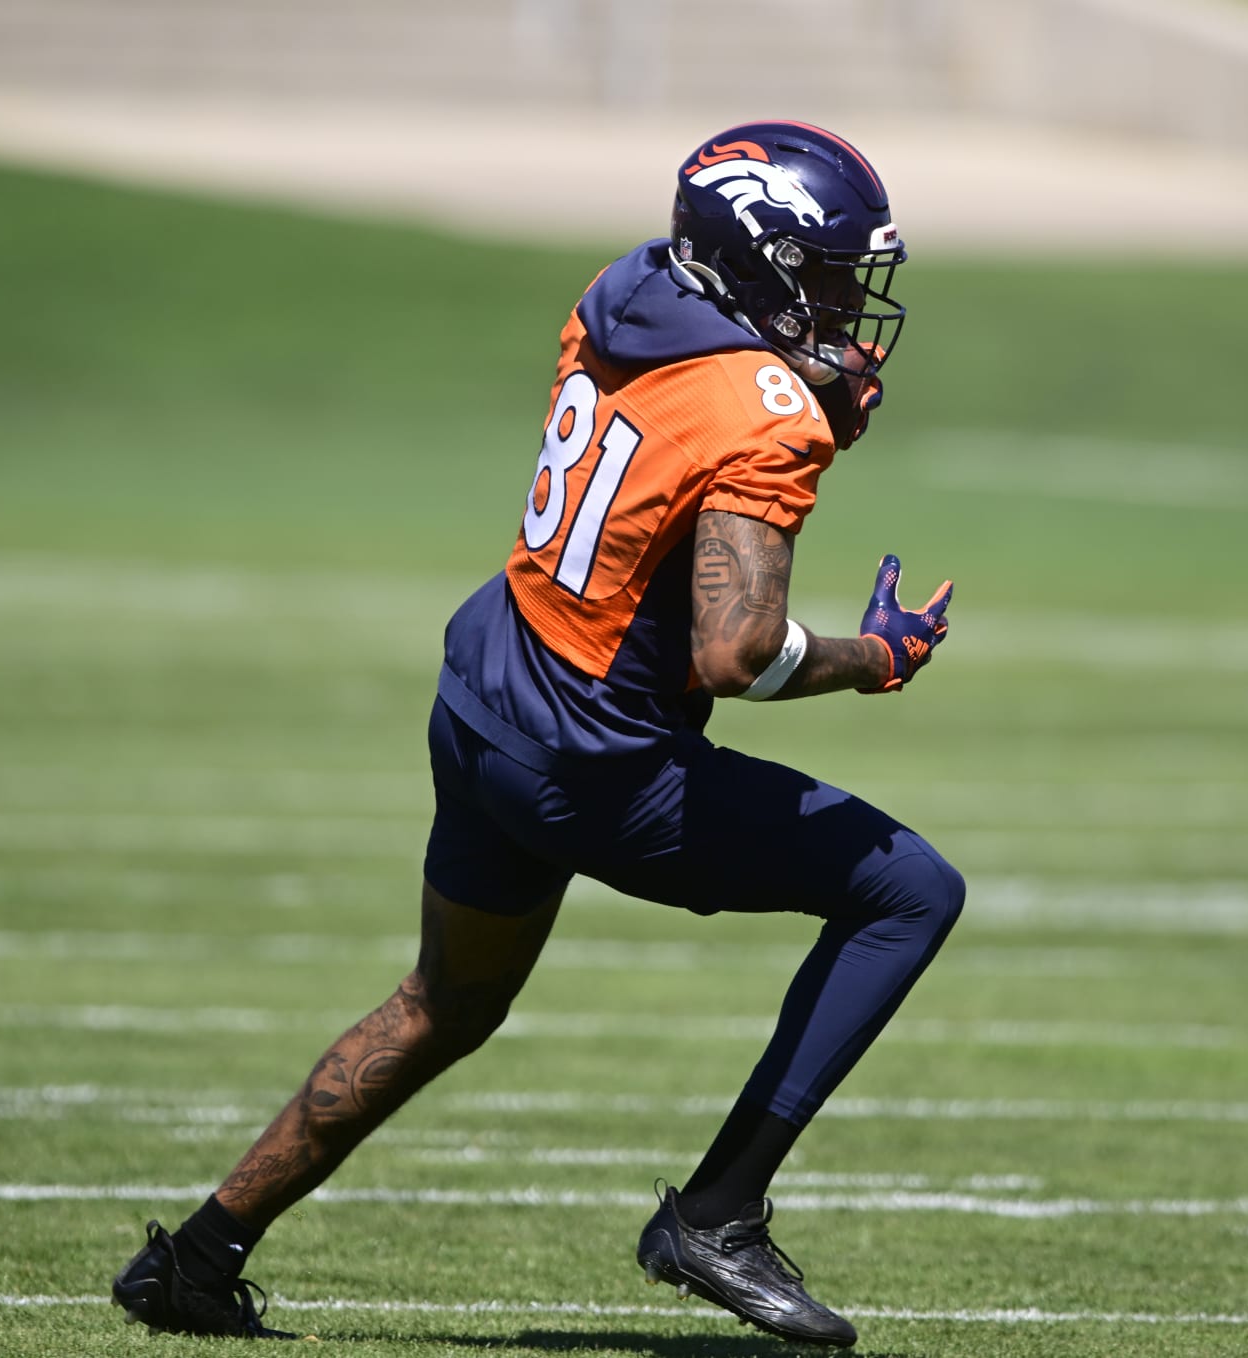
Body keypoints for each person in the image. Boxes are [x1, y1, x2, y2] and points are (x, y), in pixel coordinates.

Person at [110, 118, 961, 1350]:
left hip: (486, 697)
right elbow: (736, 651)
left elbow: (658, 501)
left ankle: (194, 1259)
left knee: (442, 1003)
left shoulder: (629, 289)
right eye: (827, 274)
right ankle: (717, 1215)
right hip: (594, 763)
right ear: (763, 262)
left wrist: (798, 392)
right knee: (912, 889)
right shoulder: (768, 410)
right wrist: (873, 657)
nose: (846, 305)